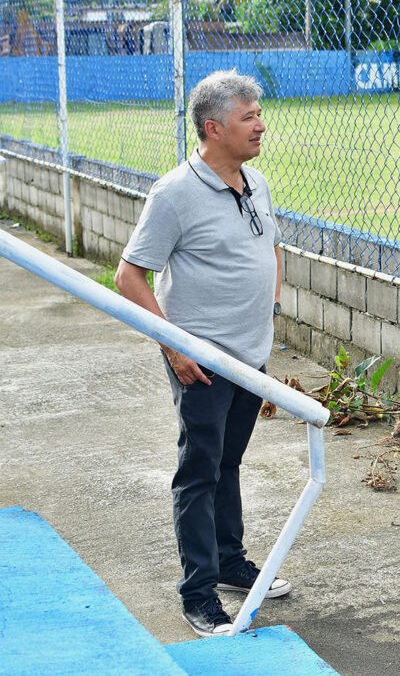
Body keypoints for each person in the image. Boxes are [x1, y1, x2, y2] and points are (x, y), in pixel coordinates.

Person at [114, 70, 290, 638]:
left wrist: (272, 298)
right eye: (248, 116)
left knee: (229, 463)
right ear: (213, 128)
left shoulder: (256, 181)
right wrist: (174, 346)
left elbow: (272, 247)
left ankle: (230, 560)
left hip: (250, 355)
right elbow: (128, 276)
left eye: (259, 112)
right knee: (199, 472)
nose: (261, 124)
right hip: (203, 361)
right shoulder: (174, 194)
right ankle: (198, 591)